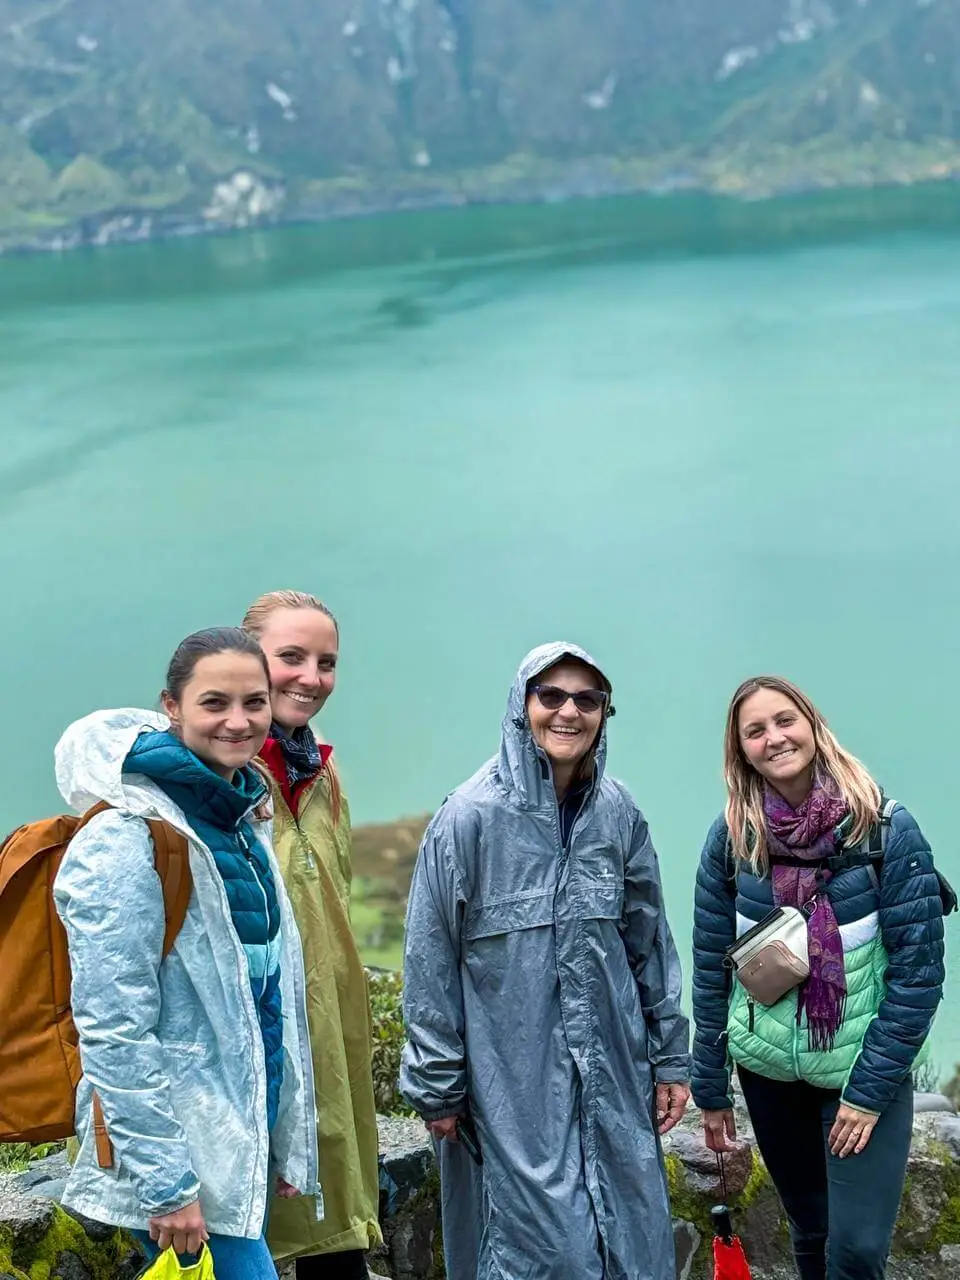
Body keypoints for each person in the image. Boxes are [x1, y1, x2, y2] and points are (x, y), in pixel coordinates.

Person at [400, 641, 690, 1280]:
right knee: (542, 1255)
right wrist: (438, 1083)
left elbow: (650, 945)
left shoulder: (618, 813)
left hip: (614, 1074)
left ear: (604, 713)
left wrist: (670, 1057)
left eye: (587, 700)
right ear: (521, 705)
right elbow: (429, 962)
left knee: (635, 1249)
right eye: (550, 696)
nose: (568, 712)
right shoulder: (467, 819)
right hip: (509, 1090)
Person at [53, 628, 320, 1280]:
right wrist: (167, 1184)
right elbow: (113, 1025)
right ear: (170, 706)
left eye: (254, 703)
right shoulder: (126, 833)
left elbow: (266, 999)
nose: (238, 721)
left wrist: (280, 1141)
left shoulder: (241, 814)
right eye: (214, 703)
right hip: (179, 1155)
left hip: (233, 1143)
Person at [692, 675, 946, 1280]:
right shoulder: (733, 839)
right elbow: (709, 966)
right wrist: (710, 1083)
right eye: (755, 731)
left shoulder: (884, 829)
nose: (774, 738)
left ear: (812, 725)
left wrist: (866, 1093)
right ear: (741, 750)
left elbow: (919, 977)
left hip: (860, 1073)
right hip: (769, 1073)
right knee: (811, 1228)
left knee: (855, 1250)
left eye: (785, 721)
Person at [242, 591, 382, 1280]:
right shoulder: (222, 780)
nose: (311, 677)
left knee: (337, 1238)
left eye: (326, 662)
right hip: (254, 1048)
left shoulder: (321, 775)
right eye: (290, 656)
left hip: (327, 1037)